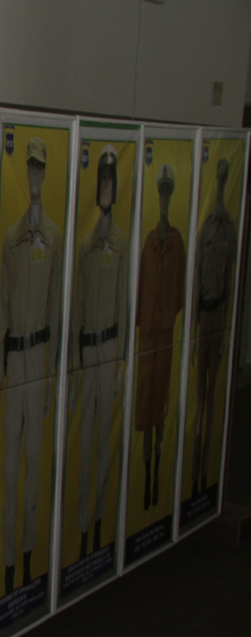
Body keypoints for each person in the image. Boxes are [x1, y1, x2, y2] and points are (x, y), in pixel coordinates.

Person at [0, 137, 62, 594]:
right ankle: (8, 564)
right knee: (11, 470)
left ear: (46, 173)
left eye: (41, 168)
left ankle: (31, 556)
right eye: (30, 168)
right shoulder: (11, 239)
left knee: (34, 467)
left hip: (39, 359)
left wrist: (54, 376)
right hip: (14, 360)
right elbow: (0, 315)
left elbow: (56, 308)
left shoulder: (54, 238)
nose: (35, 175)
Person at [70, 145, 128, 559]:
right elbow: (75, 312)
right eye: (102, 179)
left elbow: (124, 306)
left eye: (111, 179)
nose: (106, 185)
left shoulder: (122, 243)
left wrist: (122, 363)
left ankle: (100, 525)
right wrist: (75, 368)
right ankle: (81, 530)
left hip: (110, 350)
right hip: (88, 352)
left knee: (104, 445)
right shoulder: (85, 246)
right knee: (85, 447)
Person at [134, 163, 186, 509]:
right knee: (145, 410)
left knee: (161, 408)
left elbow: (180, 292)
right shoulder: (150, 242)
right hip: (147, 341)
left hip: (164, 339)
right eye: (161, 194)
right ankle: (146, 476)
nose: (164, 200)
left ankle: (157, 473)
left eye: (168, 194)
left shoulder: (177, 244)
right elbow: (140, 290)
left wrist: (166, 320)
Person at [191, 158, 236, 496]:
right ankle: (194, 469)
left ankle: (207, 468)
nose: (219, 186)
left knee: (212, 399)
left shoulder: (230, 230)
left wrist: (227, 331)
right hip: (204, 316)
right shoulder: (204, 228)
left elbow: (230, 280)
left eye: (224, 179)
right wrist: (193, 332)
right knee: (199, 398)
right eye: (217, 180)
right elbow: (196, 282)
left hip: (219, 316)